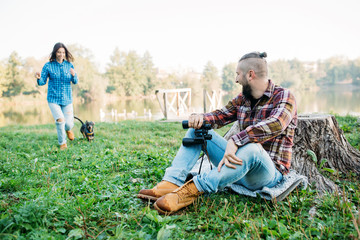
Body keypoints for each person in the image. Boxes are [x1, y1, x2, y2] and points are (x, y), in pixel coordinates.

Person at [137, 51, 298, 215]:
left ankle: (192, 190)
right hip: (237, 168)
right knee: (198, 130)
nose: (236, 79)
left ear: (250, 75)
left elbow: (277, 123)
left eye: (238, 74)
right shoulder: (243, 98)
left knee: (253, 148)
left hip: (266, 175)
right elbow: (219, 115)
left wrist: (236, 140)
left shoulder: (285, 96)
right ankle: (171, 183)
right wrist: (200, 118)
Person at [35, 42, 78, 150]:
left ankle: (68, 130)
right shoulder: (48, 66)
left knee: (68, 124)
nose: (61, 54)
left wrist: (74, 75)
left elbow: (75, 81)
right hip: (53, 99)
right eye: (59, 52)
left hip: (67, 99)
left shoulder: (69, 65)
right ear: (55, 53)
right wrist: (38, 78)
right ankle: (62, 143)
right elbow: (42, 82)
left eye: (63, 52)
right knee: (60, 120)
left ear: (65, 53)